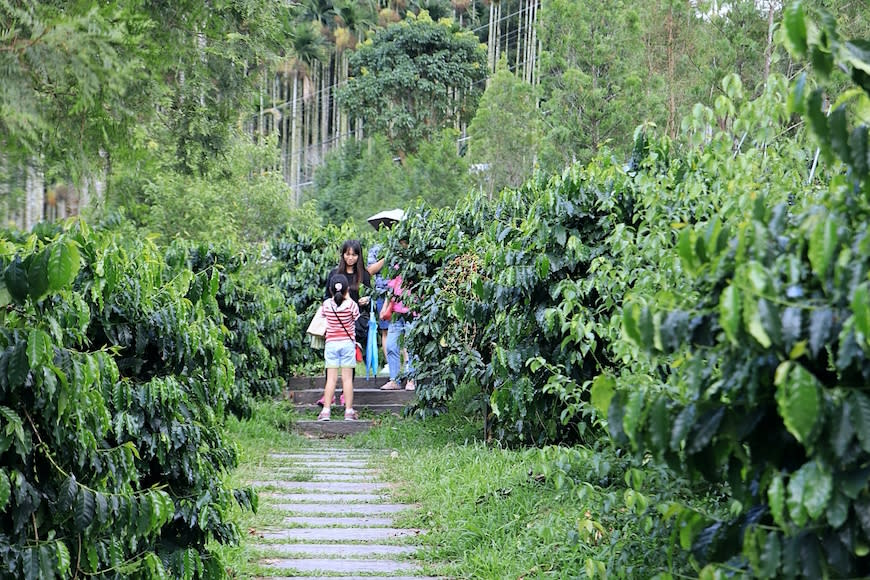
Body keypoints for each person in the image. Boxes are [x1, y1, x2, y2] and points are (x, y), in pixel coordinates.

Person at [318, 274, 360, 421]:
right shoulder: (351, 305)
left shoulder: (326, 305)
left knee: (331, 379)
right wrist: (347, 297)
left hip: (331, 344)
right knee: (347, 379)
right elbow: (356, 317)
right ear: (347, 289)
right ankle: (348, 411)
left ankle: (326, 411)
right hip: (347, 344)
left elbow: (323, 316)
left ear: (330, 289)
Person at [380, 265, 415, 391]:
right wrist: (384, 307)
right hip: (396, 312)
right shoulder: (396, 265)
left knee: (411, 346)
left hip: (412, 312)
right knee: (391, 345)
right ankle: (394, 379)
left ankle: (411, 379)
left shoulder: (416, 264)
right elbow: (391, 290)